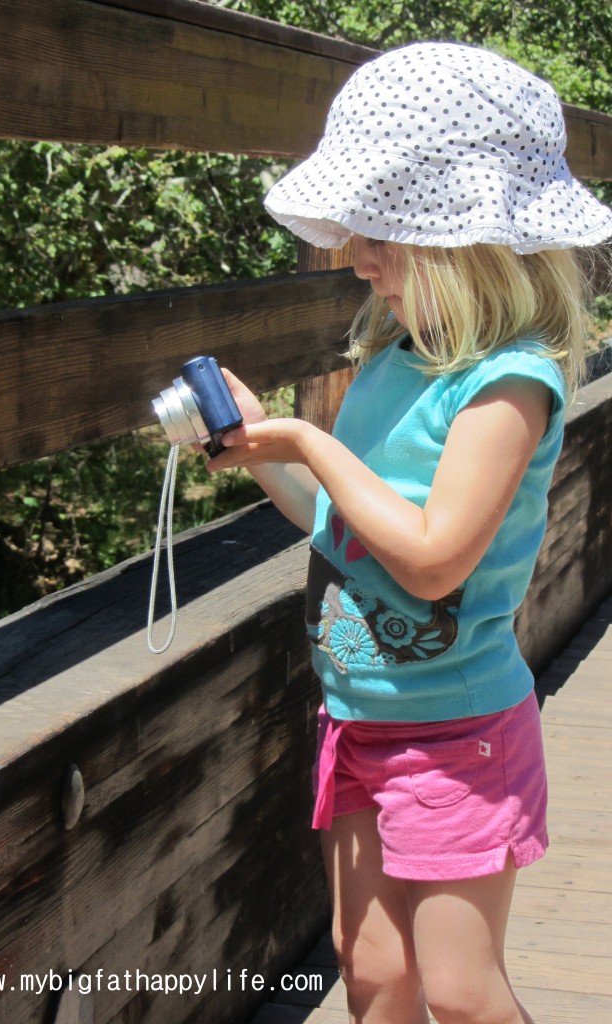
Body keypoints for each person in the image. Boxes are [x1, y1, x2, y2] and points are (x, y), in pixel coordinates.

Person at [207, 42, 612, 1024]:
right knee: (373, 973)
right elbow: (341, 526)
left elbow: (430, 561)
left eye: (381, 234)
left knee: (462, 993)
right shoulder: (399, 362)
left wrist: (308, 434)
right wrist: (263, 450)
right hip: (356, 719)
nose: (355, 255)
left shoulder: (509, 387)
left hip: (457, 737)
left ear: (464, 239)